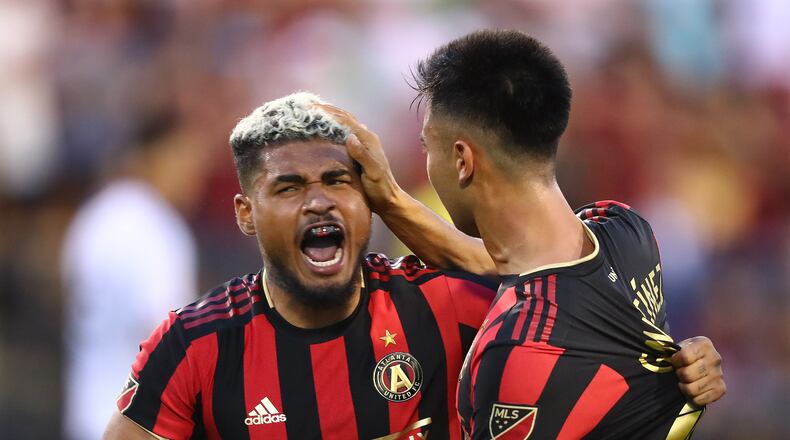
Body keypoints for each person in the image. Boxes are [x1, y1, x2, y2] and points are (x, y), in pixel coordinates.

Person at [104, 93, 722, 440]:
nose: (318, 200)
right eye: (288, 187)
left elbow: (554, 291)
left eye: (338, 181)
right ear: (244, 213)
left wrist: (675, 364)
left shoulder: (440, 305)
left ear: (366, 197)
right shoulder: (196, 346)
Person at [321, 30, 726, 439]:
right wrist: (388, 198)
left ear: (462, 160)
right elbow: (507, 264)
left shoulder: (517, 351)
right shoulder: (625, 231)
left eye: (429, 148)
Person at [62, 109, 209, 440]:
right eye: (184, 159)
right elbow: (168, 335)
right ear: (154, 156)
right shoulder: (155, 227)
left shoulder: (95, 214)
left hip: (87, 413)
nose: (193, 174)